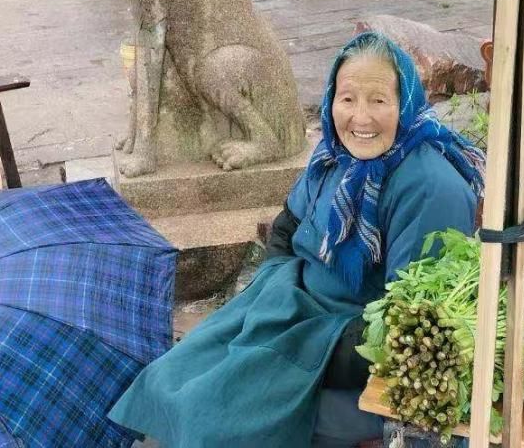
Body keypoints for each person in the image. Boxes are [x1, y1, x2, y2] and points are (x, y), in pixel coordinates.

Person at [109, 31, 484, 448]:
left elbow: (410, 330)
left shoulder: (430, 188)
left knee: (217, 420)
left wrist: (294, 351)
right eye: (347, 99)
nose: (360, 118)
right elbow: (289, 223)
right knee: (171, 377)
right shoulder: (334, 157)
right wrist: (273, 289)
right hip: (291, 308)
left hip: (354, 357)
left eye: (378, 100)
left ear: (407, 102)